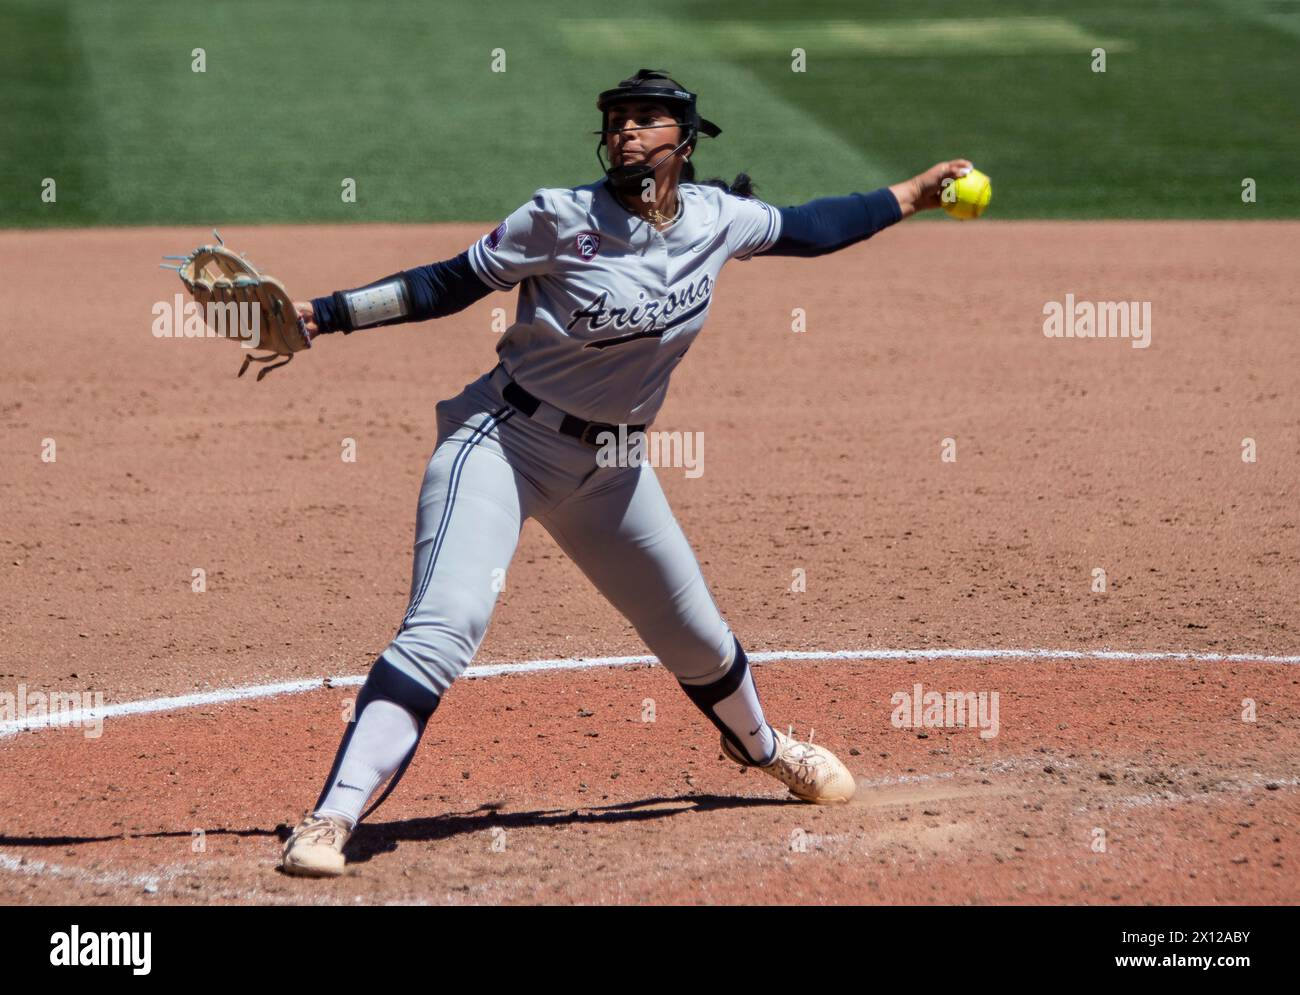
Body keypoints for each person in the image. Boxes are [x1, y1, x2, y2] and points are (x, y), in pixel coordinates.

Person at [280, 68, 972, 877]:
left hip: (611, 465)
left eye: (646, 121)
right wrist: (324, 314)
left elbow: (813, 227)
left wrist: (914, 194)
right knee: (448, 623)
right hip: (502, 441)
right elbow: (446, 283)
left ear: (685, 138)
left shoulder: (717, 219)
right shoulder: (558, 217)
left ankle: (766, 749)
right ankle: (329, 820)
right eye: (616, 121)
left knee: (698, 635)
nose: (627, 135)